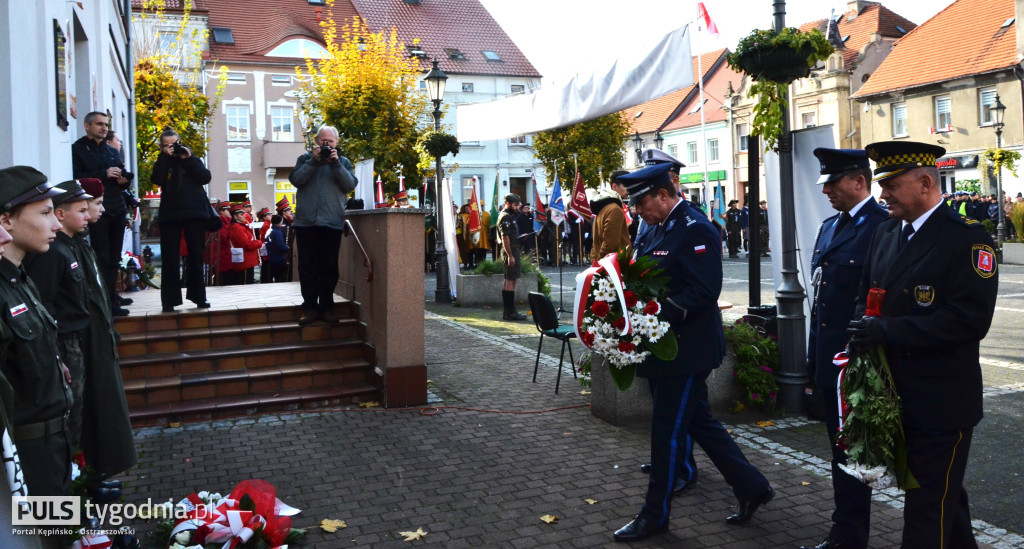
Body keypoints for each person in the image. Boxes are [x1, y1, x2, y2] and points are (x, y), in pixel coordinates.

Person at [848, 141, 998, 549]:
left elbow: (969, 321)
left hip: (940, 402)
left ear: (926, 183)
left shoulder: (966, 239)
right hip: (897, 396)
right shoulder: (885, 231)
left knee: (926, 511)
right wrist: (863, 324)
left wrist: (890, 331)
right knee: (944, 496)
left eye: (892, 185)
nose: (882, 195)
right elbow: (869, 293)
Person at [613, 163, 774, 542]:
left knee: (666, 432)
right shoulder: (653, 227)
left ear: (664, 195)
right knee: (700, 422)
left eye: (641, 203)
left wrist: (652, 313)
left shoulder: (696, 228)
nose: (637, 211)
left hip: (687, 352)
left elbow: (703, 293)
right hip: (665, 349)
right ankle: (752, 486)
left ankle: (655, 515)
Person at [800, 149, 889, 549]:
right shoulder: (828, 227)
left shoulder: (883, 228)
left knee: (860, 454)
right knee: (841, 456)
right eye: (825, 184)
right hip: (830, 365)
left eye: (834, 183)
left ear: (858, 182)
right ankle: (846, 533)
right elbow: (820, 305)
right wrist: (812, 366)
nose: (827, 192)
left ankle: (850, 536)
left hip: (860, 366)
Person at [0, 167, 73, 540]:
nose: (55, 224)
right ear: (6, 219)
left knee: (61, 537)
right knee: (46, 539)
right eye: (44, 213)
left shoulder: (20, 278)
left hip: (52, 446)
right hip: (25, 458)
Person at [73, 177, 137, 488]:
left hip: (94, 341)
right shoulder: (59, 253)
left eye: (93, 206)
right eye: (85, 208)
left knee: (99, 414)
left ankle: (93, 476)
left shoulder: (77, 245)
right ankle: (83, 485)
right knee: (85, 419)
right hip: (79, 347)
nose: (90, 214)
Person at [23, 181, 94, 454]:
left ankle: (78, 477)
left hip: (73, 339)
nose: (87, 216)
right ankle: (74, 482)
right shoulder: (51, 253)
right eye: (82, 210)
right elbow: (45, 303)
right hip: (63, 342)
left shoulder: (68, 247)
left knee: (76, 410)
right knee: (69, 411)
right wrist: (57, 353)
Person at [288, 125, 358, 324]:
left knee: (329, 267)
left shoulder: (343, 162)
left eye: (330, 142)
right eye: (323, 141)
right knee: (307, 267)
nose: (326, 145)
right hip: (305, 223)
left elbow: (350, 185)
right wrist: (314, 161)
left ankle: (327, 307)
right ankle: (309, 308)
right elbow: (296, 180)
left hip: (331, 223)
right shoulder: (304, 160)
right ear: (316, 142)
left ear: (337, 144)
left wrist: (335, 164)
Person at [71, 112, 131, 316]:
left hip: (117, 206)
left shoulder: (112, 151)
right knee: (102, 256)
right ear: (87, 125)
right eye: (99, 124)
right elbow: (76, 179)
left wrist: (124, 179)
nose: (104, 128)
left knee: (114, 257)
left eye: (106, 124)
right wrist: (103, 175)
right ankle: (104, 301)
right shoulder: (77, 149)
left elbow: (122, 175)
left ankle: (112, 296)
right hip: (95, 210)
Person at [152, 129, 213, 313]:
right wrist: (165, 158)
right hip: (171, 215)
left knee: (196, 256)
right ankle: (169, 300)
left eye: (175, 143)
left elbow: (205, 177)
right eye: (168, 145)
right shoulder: (162, 161)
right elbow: (157, 179)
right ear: (162, 147)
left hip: (195, 213)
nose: (173, 148)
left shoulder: (189, 158)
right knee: (170, 258)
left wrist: (189, 158)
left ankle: (199, 297)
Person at [496, 194, 527, 321]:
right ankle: (509, 312)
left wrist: (520, 237)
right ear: (508, 203)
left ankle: (509, 311)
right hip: (511, 250)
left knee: (510, 280)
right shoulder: (506, 216)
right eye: (515, 205)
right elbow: (505, 237)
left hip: (513, 248)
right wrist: (510, 256)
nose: (517, 207)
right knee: (510, 281)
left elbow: (510, 235)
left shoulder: (509, 216)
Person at [589, 189, 631, 262]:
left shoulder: (600, 213)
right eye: (623, 186)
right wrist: (601, 261)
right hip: (614, 263)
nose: (626, 189)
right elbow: (610, 242)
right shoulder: (615, 209)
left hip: (602, 262)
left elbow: (595, 243)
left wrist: (595, 261)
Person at [226, 203, 262, 285]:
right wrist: (259, 243)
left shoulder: (240, 226)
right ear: (235, 217)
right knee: (245, 285)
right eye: (241, 214)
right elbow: (247, 245)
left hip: (247, 261)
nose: (244, 216)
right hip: (245, 262)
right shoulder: (237, 228)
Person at [263, 214, 290, 283]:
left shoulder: (269, 230)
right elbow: (281, 247)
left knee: (273, 277)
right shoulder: (277, 232)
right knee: (279, 279)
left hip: (272, 257)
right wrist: (288, 248)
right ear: (280, 222)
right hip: (279, 259)